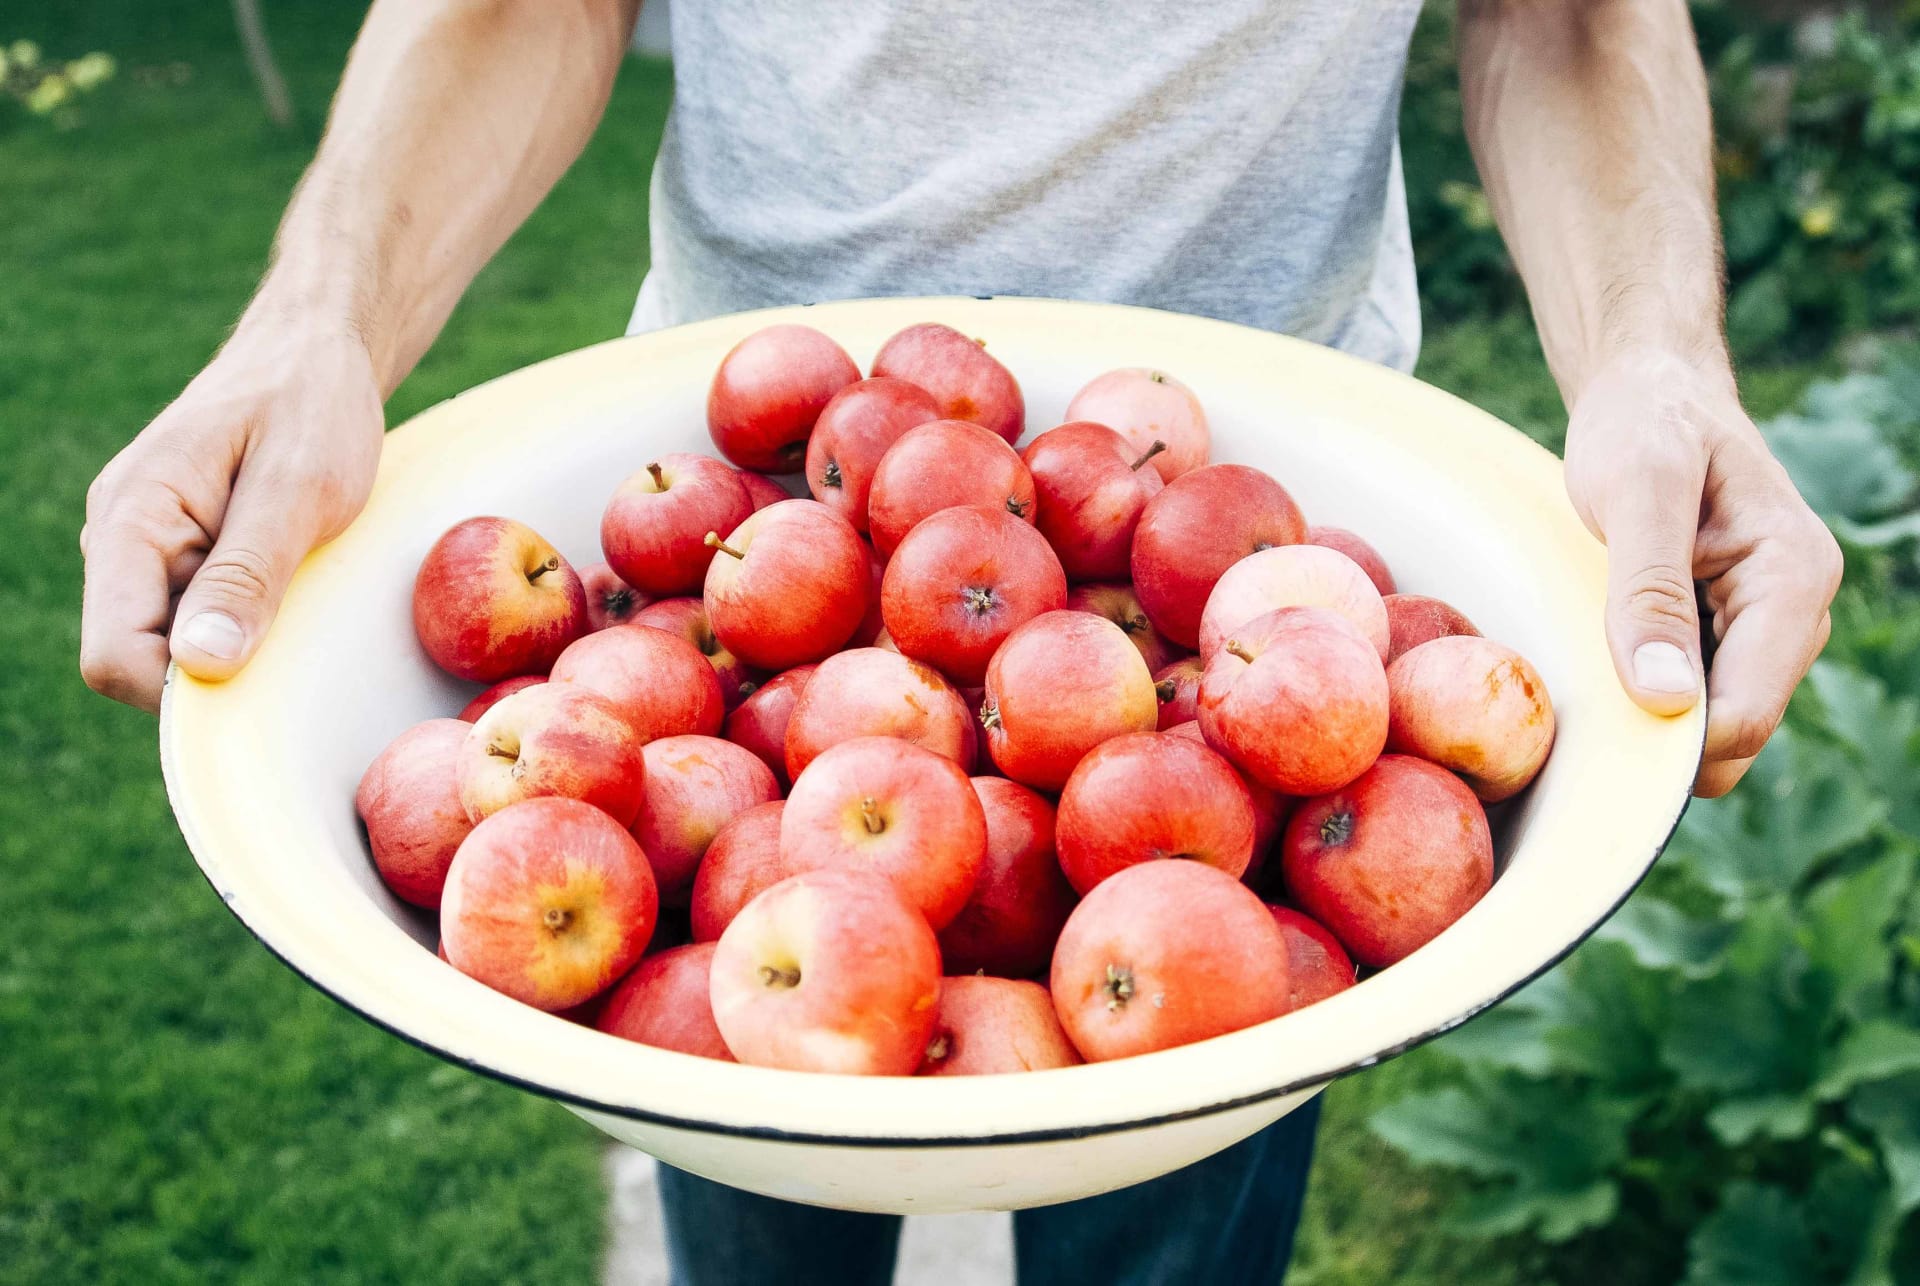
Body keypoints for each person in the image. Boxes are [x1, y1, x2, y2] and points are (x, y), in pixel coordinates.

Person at [78, 2, 1842, 1282]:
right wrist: (321, 317)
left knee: (1176, 1181)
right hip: (747, 507)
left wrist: (1655, 353)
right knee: (746, 1120)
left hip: (1263, 527)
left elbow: (1574, 13)